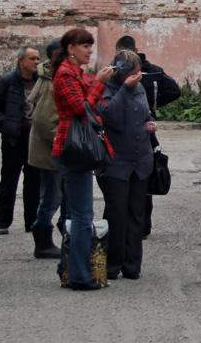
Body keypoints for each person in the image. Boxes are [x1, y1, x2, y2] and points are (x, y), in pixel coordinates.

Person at [52, 27, 115, 291]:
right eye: (84, 46)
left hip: (76, 147)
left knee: (82, 213)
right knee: (81, 215)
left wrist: (102, 81)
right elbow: (82, 107)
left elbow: (94, 95)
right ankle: (78, 276)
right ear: (71, 48)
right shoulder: (65, 73)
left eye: (90, 46)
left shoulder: (76, 72)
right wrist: (99, 82)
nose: (90, 50)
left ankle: (74, 270)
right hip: (72, 147)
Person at [96, 49, 157, 281]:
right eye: (132, 72)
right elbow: (110, 115)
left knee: (136, 213)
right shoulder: (107, 88)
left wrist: (150, 122)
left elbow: (146, 112)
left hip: (140, 159)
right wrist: (125, 88)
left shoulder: (139, 87)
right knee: (116, 213)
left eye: (138, 72)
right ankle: (112, 264)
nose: (137, 76)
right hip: (115, 162)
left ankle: (132, 265)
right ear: (120, 73)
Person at [115, 34, 179, 237]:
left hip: (136, 128)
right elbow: (174, 90)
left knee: (135, 178)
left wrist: (152, 106)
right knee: (143, 179)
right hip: (147, 127)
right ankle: (142, 226)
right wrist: (155, 107)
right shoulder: (152, 70)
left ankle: (132, 226)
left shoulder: (125, 73)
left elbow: (173, 90)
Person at [0, 46, 42, 237]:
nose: (36, 62)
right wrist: (7, 124)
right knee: (9, 180)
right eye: (32, 58)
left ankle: (31, 222)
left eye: (38, 59)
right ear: (21, 61)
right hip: (14, 138)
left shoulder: (39, 81)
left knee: (34, 181)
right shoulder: (7, 81)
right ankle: (2, 222)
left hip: (34, 138)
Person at [27, 38, 67, 259]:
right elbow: (45, 123)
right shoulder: (51, 82)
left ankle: (69, 236)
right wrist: (70, 142)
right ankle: (42, 242)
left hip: (58, 152)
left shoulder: (55, 77)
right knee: (51, 198)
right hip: (52, 153)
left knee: (66, 198)